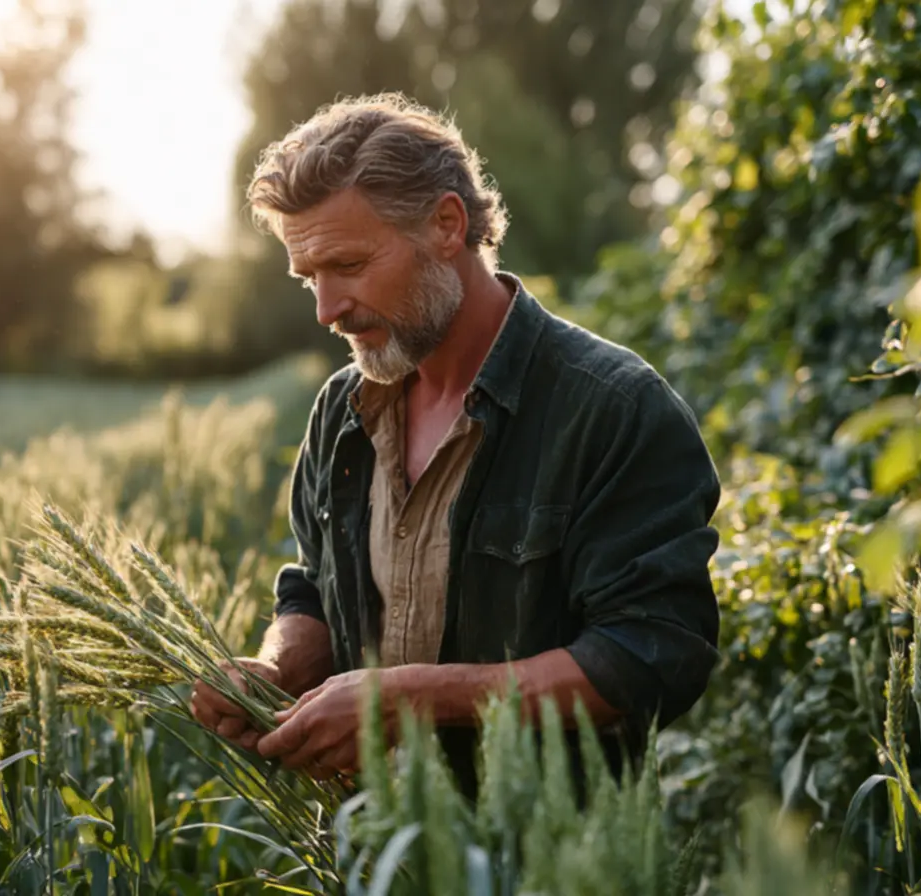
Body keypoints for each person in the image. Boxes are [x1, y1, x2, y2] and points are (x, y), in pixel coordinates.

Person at [190, 92, 721, 800]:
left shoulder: (612, 409)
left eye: (347, 264)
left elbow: (650, 655)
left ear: (447, 224)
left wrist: (413, 697)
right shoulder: (340, 413)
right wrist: (278, 666)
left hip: (556, 864)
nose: (326, 309)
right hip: (369, 854)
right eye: (309, 277)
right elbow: (317, 587)